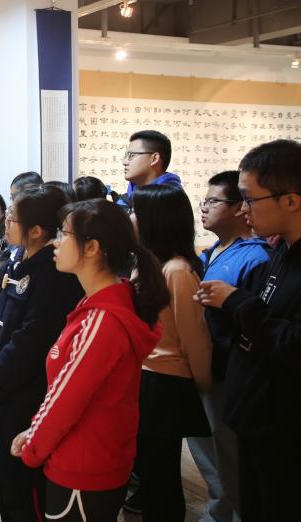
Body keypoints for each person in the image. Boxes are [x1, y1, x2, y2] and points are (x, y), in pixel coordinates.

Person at [12, 199, 169, 521]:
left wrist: (34, 445)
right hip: (90, 456)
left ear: (93, 247)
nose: (55, 242)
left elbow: (67, 398)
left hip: (83, 464)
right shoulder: (102, 303)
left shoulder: (103, 319)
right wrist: (35, 433)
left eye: (64, 233)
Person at [0, 185, 83, 522]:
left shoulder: (54, 274)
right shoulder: (16, 260)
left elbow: (29, 344)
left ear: (37, 230)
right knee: (0, 480)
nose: (6, 222)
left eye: (13, 218)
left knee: (21, 490)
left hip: (22, 397)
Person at [195, 139, 301, 522]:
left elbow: (291, 342)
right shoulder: (282, 252)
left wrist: (237, 302)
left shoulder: (267, 254)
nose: (243, 210)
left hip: (284, 431)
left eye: (250, 199)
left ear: (291, 200)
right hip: (254, 421)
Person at [189, 170, 269, 522]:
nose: (204, 208)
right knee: (210, 450)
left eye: (213, 201)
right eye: (204, 201)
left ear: (240, 207)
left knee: (230, 453)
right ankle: (219, 510)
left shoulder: (256, 257)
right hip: (207, 365)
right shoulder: (214, 252)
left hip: (228, 372)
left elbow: (253, 324)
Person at [130, 184, 213, 521]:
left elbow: (194, 337)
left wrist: (203, 384)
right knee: (150, 472)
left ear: (155, 220)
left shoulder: (177, 271)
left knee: (161, 475)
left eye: (136, 211)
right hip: (146, 378)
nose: (130, 217)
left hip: (164, 383)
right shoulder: (149, 264)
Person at [118, 130, 182, 208]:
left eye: (131, 155)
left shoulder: (171, 201)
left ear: (154, 159)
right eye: (126, 156)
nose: (124, 162)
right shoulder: (125, 201)